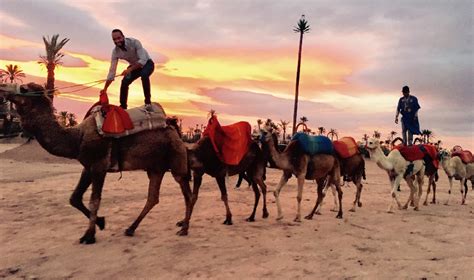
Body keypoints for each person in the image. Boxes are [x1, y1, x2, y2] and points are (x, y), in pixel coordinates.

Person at [101, 29, 155, 110]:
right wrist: (105, 89)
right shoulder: (115, 52)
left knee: (144, 75)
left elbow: (143, 61)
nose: (117, 41)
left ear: (123, 37)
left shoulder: (135, 42)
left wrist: (129, 70)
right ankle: (123, 107)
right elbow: (112, 72)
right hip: (134, 67)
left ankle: (148, 103)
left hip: (147, 64)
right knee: (124, 82)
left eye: (119, 38)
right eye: (114, 39)